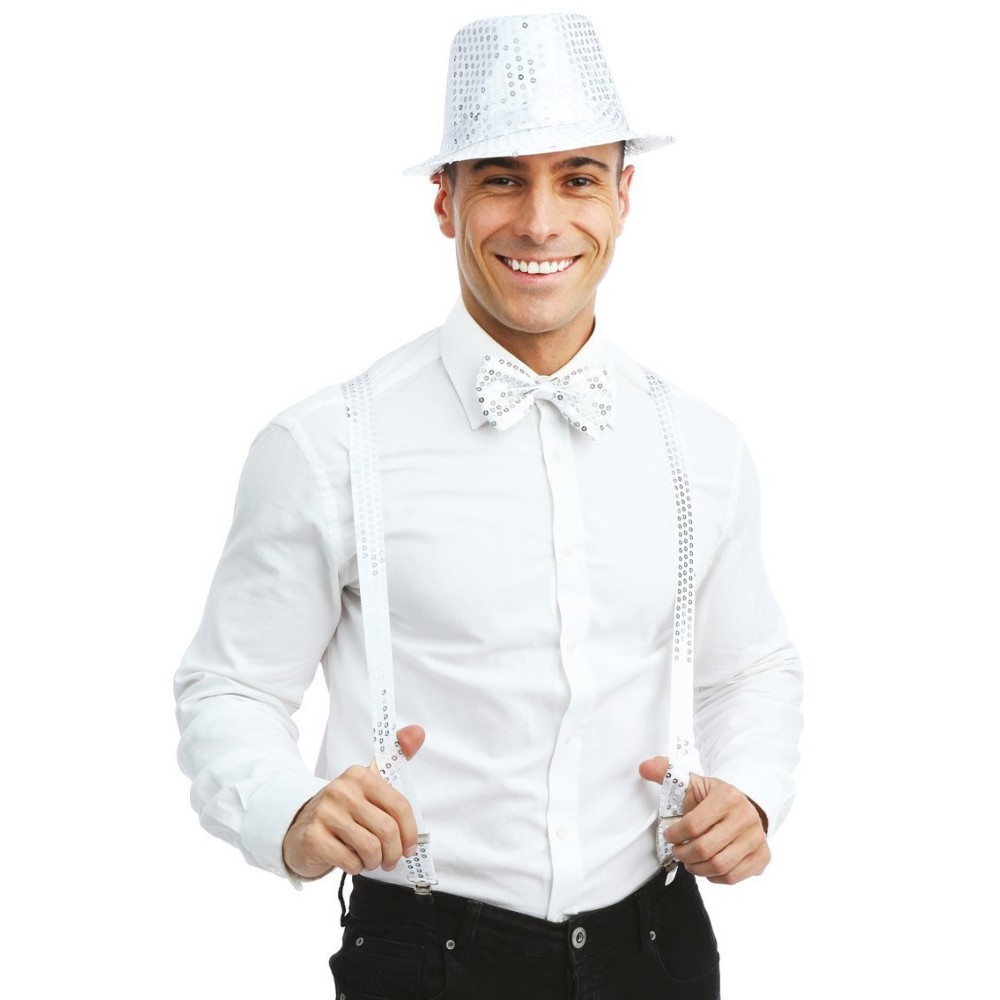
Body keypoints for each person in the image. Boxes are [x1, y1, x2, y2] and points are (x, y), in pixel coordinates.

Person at [175, 12, 803, 999]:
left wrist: (752, 794)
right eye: (503, 178)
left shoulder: (700, 444)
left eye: (577, 178)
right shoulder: (326, 445)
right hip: (425, 955)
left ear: (623, 197)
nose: (541, 223)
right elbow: (231, 688)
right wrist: (289, 813)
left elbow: (751, 666)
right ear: (446, 200)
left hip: (659, 944)